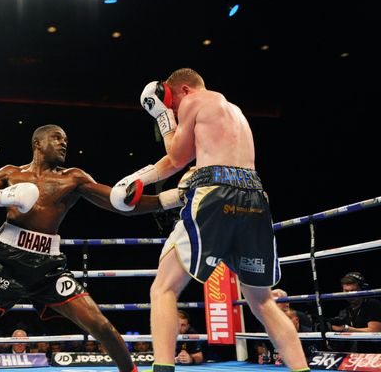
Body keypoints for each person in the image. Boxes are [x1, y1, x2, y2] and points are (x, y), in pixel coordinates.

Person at [0, 124, 171, 372]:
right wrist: (2, 196)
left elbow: (118, 202)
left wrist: (170, 199)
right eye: (57, 138)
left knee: (101, 326)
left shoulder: (73, 177)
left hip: (49, 267)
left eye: (66, 141)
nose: (63, 144)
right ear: (38, 143)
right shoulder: (11, 174)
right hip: (3, 263)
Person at [110, 68, 309, 372]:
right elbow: (183, 156)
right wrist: (140, 178)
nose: (174, 110)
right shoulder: (233, 111)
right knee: (263, 302)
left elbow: (177, 156)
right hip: (255, 198)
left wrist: (164, 117)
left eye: (172, 102)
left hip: (217, 196)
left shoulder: (193, 100)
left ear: (184, 90)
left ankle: (162, 369)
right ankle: (302, 369)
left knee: (163, 288)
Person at [329, 272, 381, 353]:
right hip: (353, 355)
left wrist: (346, 329)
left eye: (353, 291)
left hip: (373, 354)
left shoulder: (372, 304)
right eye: (346, 291)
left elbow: (375, 331)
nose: (350, 295)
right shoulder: (345, 311)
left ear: (362, 290)